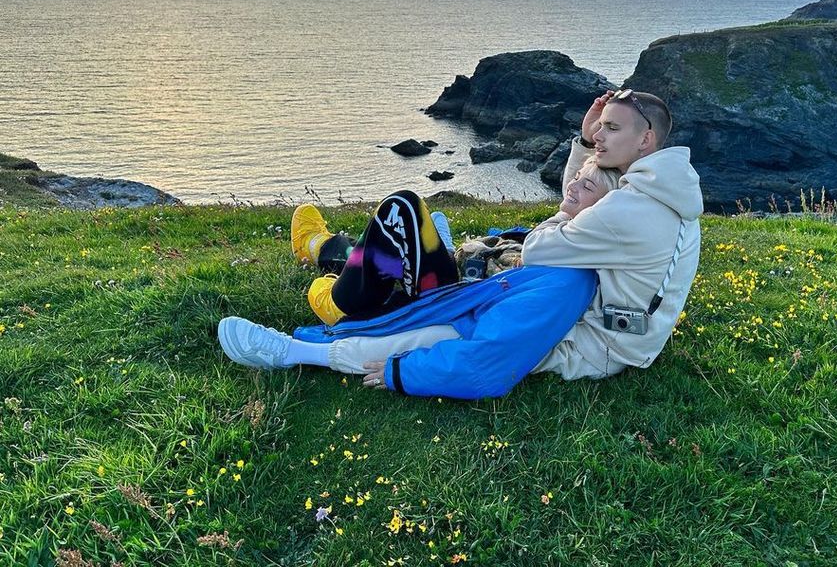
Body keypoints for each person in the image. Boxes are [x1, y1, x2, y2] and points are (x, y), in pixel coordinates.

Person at [218, 89, 702, 393]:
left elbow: (552, 236)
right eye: (600, 128)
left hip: (586, 340)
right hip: (595, 327)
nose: (599, 137)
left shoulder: (626, 214)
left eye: (611, 129)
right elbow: (585, 198)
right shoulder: (661, 189)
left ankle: (330, 278)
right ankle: (327, 250)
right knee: (421, 229)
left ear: (646, 142)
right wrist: (583, 144)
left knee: (404, 216)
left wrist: (401, 375)